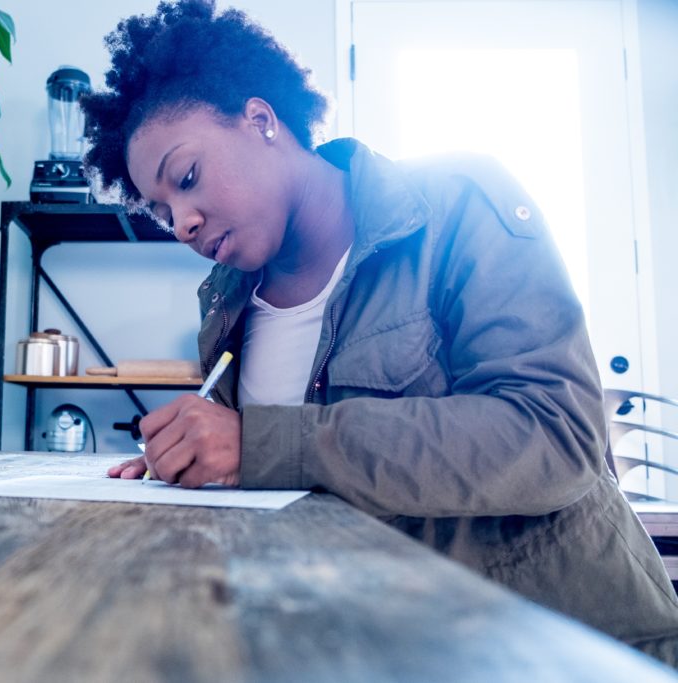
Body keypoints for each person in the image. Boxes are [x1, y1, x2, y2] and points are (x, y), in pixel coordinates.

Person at [80, 0, 678, 664]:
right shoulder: (226, 304)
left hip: (561, 646)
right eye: (162, 211)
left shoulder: (455, 207)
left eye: (187, 178)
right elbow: (275, 479)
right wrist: (195, 458)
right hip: (381, 644)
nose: (183, 222)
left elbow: (552, 435)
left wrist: (263, 443)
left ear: (260, 121)